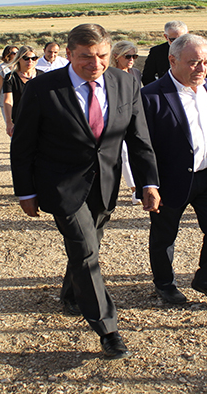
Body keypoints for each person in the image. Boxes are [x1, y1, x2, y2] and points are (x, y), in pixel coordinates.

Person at [10, 23, 161, 359]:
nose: (95, 64)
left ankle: (71, 294)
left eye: (102, 56)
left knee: (88, 245)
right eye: (86, 57)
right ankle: (107, 328)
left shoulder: (125, 82)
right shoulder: (43, 88)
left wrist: (149, 182)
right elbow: (23, 146)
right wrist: (25, 192)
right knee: (86, 251)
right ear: (69, 54)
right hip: (62, 185)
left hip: (105, 183)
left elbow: (139, 138)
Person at [141, 34, 207, 305]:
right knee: (164, 236)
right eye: (194, 63)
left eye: (206, 62)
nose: (201, 69)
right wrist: (147, 184)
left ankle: (206, 278)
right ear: (172, 60)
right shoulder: (150, 96)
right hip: (169, 179)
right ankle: (164, 284)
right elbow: (141, 146)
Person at [110, 40, 142, 203]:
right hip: (116, 118)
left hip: (134, 116)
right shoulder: (109, 74)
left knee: (136, 150)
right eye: (128, 56)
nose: (131, 59)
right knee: (123, 153)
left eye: (134, 56)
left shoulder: (135, 73)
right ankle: (134, 188)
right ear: (116, 56)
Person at [141, 21, 207, 84]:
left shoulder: (201, 50)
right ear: (166, 37)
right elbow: (147, 78)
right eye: (173, 40)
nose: (178, 43)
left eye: (182, 39)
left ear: (187, 34)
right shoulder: (157, 52)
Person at [2, 46, 39, 137]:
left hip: (40, 120)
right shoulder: (10, 77)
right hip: (20, 120)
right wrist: (9, 122)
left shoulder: (42, 76)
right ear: (19, 59)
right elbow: (8, 101)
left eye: (33, 58)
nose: (30, 61)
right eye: (26, 58)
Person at [0, 45, 18, 112]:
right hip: (5, 95)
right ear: (8, 54)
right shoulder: (2, 67)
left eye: (18, 52)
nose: (16, 55)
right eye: (14, 53)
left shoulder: (20, 65)